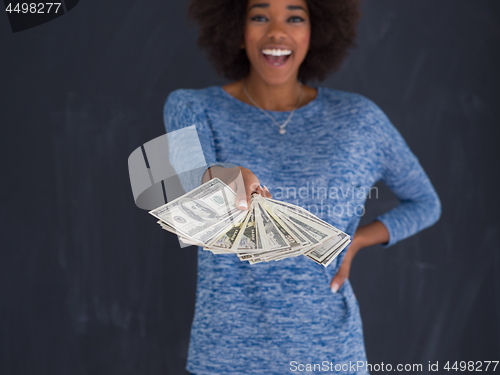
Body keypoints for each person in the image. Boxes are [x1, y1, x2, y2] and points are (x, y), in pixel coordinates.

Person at [163, 0, 441, 373]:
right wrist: (226, 178)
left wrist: (356, 241)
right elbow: (187, 184)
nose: (277, 31)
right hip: (227, 358)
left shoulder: (359, 120)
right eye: (260, 16)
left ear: (316, 31)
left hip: (330, 355)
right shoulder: (191, 108)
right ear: (237, 30)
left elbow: (425, 202)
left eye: (294, 18)